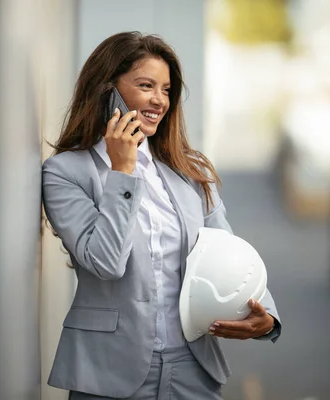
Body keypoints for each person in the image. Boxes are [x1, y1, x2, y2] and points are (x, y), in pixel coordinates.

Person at [42, 32, 281, 400]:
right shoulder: (66, 172)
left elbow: (228, 254)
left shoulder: (189, 170)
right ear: (108, 92)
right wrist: (122, 172)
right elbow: (105, 263)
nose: (159, 100)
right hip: (108, 369)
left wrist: (264, 312)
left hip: (193, 367)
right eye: (145, 85)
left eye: (166, 90)